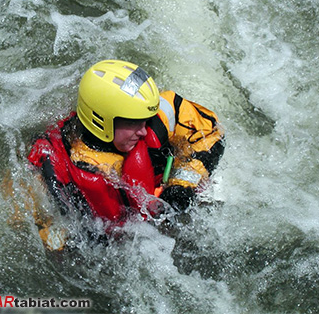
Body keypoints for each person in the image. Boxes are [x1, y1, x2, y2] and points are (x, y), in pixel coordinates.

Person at [28, 60, 224, 248]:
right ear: (101, 120)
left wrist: (182, 185)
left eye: (145, 120)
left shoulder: (160, 115)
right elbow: (45, 231)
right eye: (133, 123)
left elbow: (210, 134)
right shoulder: (59, 167)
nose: (144, 131)